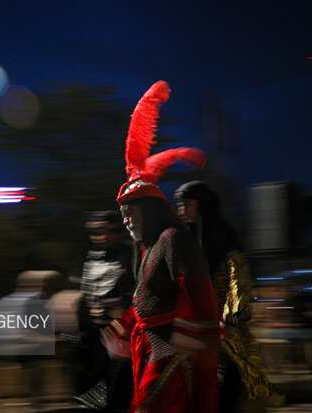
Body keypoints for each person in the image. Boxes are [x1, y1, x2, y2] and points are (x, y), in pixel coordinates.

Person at [101, 80, 219, 413]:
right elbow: (143, 298)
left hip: (172, 355)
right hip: (149, 349)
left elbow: (201, 297)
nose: (125, 220)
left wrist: (187, 341)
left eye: (130, 212)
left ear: (149, 211)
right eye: (123, 214)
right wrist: (123, 325)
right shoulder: (146, 247)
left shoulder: (173, 240)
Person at [174, 181, 283, 412]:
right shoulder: (190, 239)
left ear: (202, 205)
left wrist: (229, 319)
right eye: (180, 205)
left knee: (233, 382)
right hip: (199, 326)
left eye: (187, 204)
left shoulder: (224, 237)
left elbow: (238, 280)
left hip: (226, 329)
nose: (182, 211)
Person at [74, 211, 135, 412]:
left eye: (105, 231)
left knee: (119, 387)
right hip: (93, 333)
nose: (100, 236)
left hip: (121, 333)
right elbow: (82, 293)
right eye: (95, 231)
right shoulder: (88, 255)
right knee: (90, 385)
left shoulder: (130, 254)